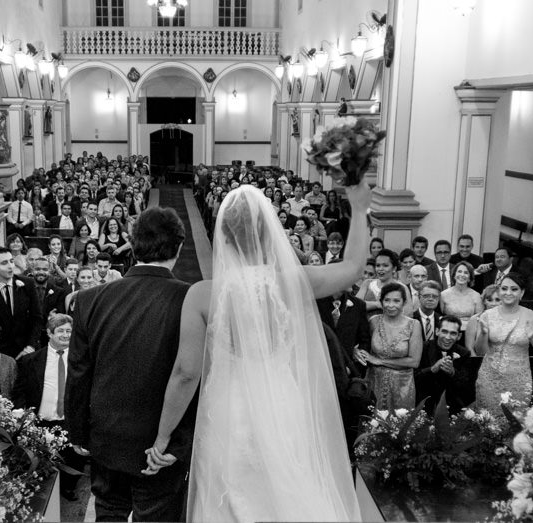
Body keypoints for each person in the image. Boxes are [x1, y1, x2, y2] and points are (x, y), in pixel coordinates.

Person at [144, 181, 373, 523]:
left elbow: (186, 373)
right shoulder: (294, 281)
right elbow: (354, 266)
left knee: (233, 498)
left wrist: (162, 437)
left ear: (222, 236)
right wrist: (359, 209)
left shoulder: (203, 295)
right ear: (270, 235)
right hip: (284, 403)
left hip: (229, 410)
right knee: (286, 491)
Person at [65, 206, 195, 522]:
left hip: (107, 439)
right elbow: (194, 375)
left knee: (108, 513)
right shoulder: (191, 299)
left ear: (133, 245)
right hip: (162, 448)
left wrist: (78, 433)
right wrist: (182, 446)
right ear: (179, 247)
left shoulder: (90, 299)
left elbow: (80, 373)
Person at [14, 314, 87, 502]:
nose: (65, 335)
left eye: (69, 331)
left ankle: (68, 487)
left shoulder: (83, 361)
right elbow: (20, 390)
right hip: (41, 422)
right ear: (49, 333)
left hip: (70, 422)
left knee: (73, 459)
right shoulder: (31, 361)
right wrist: (24, 416)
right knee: (41, 463)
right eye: (60, 331)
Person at [472, 273, 533, 411]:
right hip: (489, 379)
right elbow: (480, 351)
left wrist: (532, 337)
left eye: (514, 289)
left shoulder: (532, 316)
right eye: (504, 288)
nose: (508, 293)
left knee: (515, 424)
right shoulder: (487, 316)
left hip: (519, 381)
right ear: (499, 291)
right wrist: (483, 334)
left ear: (522, 293)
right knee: (488, 425)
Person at [0, 247, 43, 358]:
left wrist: (30, 346)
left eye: (11, 261)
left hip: (27, 350)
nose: (10, 266)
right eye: (4, 263)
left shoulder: (27, 284)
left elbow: (37, 318)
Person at [364, 282, 422, 411]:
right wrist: (357, 351)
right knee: (372, 426)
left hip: (402, 387)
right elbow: (362, 345)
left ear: (404, 302)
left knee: (400, 427)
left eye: (396, 301)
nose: (391, 305)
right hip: (374, 383)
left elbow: (414, 361)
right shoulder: (373, 321)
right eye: (387, 300)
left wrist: (380, 361)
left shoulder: (414, 325)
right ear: (381, 302)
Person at [414, 314, 473, 415]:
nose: (447, 337)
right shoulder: (423, 348)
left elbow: (466, 385)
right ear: (437, 331)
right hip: (423, 403)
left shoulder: (464, 353)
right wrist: (432, 369)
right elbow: (413, 378)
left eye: (453, 333)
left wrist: (452, 372)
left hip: (450, 405)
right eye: (444, 331)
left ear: (459, 336)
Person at [440, 261, 484, 331]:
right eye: (459, 271)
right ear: (454, 275)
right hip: (449, 332)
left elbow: (479, 320)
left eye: (466, 273)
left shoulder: (476, 295)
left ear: (470, 277)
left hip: (469, 332)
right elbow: (440, 317)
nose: (462, 275)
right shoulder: (443, 295)